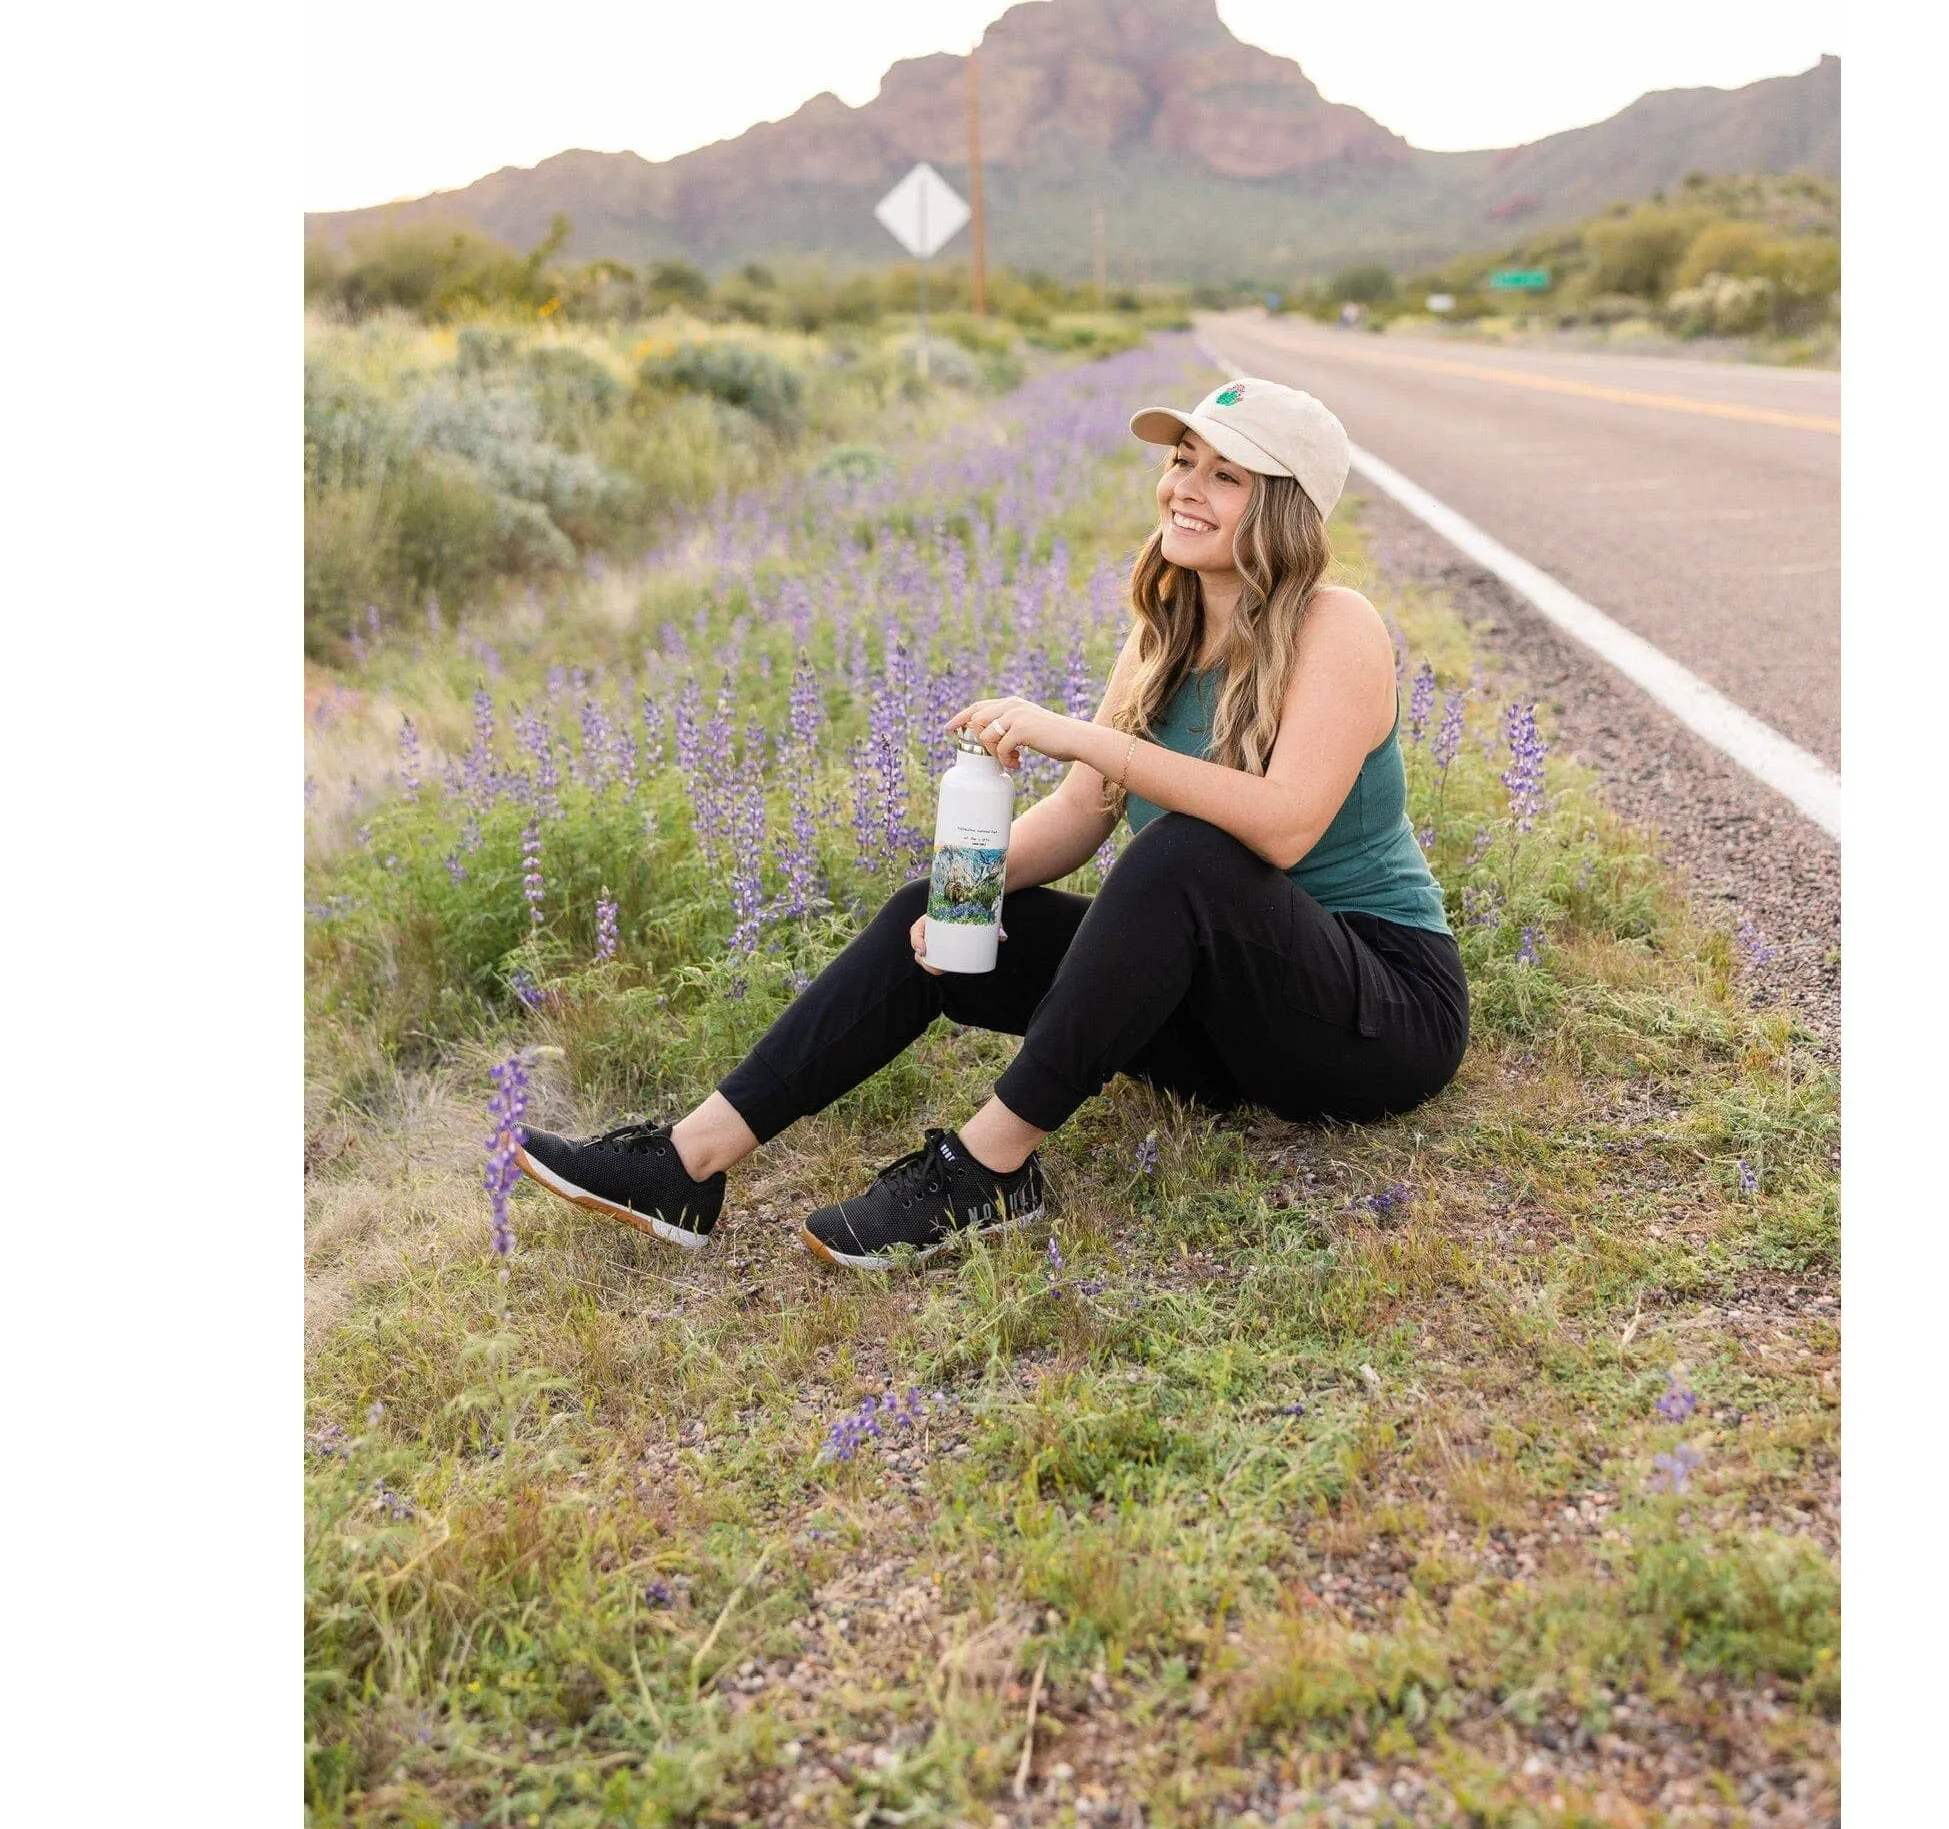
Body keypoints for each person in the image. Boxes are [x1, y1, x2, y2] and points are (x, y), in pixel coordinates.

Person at [512, 375, 1469, 1271]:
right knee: (934, 902)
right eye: (1181, 461)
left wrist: (1081, 738)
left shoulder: (1335, 626)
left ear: (1285, 505)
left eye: (1225, 474)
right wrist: (969, 896)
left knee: (1186, 853)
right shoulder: (1163, 631)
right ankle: (686, 1165)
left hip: (1374, 1017)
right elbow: (1081, 816)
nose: (1185, 487)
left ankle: (986, 1173)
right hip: (1226, 1032)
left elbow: (1286, 827)